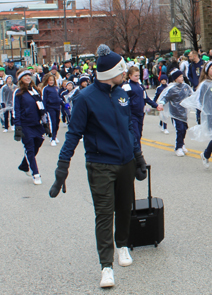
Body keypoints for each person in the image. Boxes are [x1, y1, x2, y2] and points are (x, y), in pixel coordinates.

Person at [49, 44, 148, 288]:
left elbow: (129, 128)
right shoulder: (85, 98)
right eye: (121, 69)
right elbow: (73, 134)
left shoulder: (122, 93)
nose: (125, 73)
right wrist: (63, 166)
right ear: (109, 72)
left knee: (125, 208)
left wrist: (139, 158)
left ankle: (123, 246)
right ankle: (106, 266)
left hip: (125, 162)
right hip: (100, 164)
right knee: (104, 215)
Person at [182, 61, 212, 173]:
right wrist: (201, 116)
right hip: (211, 116)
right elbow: (199, 101)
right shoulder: (204, 84)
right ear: (207, 70)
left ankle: (205, 154)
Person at [13, 69, 50, 185]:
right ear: (21, 80)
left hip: (36, 124)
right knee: (29, 148)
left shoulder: (35, 91)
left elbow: (42, 109)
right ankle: (36, 174)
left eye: (29, 76)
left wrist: (46, 124)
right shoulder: (18, 93)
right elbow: (16, 111)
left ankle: (25, 164)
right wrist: (18, 128)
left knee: (38, 143)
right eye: (25, 77)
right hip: (25, 124)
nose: (28, 78)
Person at [122, 67, 163, 147]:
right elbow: (124, 100)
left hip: (140, 113)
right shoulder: (126, 86)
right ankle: (136, 154)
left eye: (138, 76)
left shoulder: (140, 86)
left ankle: (136, 151)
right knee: (135, 135)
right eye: (135, 76)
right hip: (132, 114)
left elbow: (146, 98)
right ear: (129, 75)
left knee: (139, 134)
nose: (137, 77)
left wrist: (156, 106)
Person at [158, 69, 193, 157]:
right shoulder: (172, 89)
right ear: (175, 78)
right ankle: (178, 148)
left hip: (184, 113)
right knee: (180, 129)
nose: (182, 78)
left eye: (182, 76)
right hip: (175, 113)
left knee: (184, 129)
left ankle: (182, 143)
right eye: (180, 76)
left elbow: (192, 95)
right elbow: (165, 98)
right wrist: (161, 104)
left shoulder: (186, 86)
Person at [42, 74, 62, 146]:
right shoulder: (46, 89)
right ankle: (52, 138)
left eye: (52, 80)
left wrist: (64, 104)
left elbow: (59, 97)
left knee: (57, 122)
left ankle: (55, 135)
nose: (51, 81)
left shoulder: (56, 88)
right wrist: (44, 110)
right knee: (53, 122)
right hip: (50, 107)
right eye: (50, 80)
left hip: (57, 107)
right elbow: (44, 99)